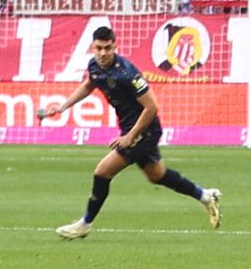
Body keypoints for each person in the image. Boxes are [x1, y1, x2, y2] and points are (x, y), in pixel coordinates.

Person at [53, 23, 222, 236]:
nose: (103, 53)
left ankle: (85, 224)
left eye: (108, 48)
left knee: (103, 171)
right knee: (156, 174)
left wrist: (129, 137)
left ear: (115, 46)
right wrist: (63, 107)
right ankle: (205, 196)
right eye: (99, 48)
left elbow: (152, 108)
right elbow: (90, 84)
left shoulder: (128, 73)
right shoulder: (94, 66)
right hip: (131, 130)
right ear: (93, 48)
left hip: (145, 130)